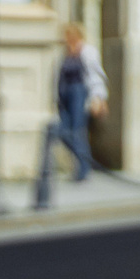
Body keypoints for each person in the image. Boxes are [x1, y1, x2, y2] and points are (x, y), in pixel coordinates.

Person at [52, 23, 107, 182]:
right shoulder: (65, 54)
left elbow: (95, 75)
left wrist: (98, 97)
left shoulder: (87, 51)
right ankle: (85, 162)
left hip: (79, 93)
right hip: (64, 96)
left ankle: (83, 168)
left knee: (77, 131)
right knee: (63, 132)